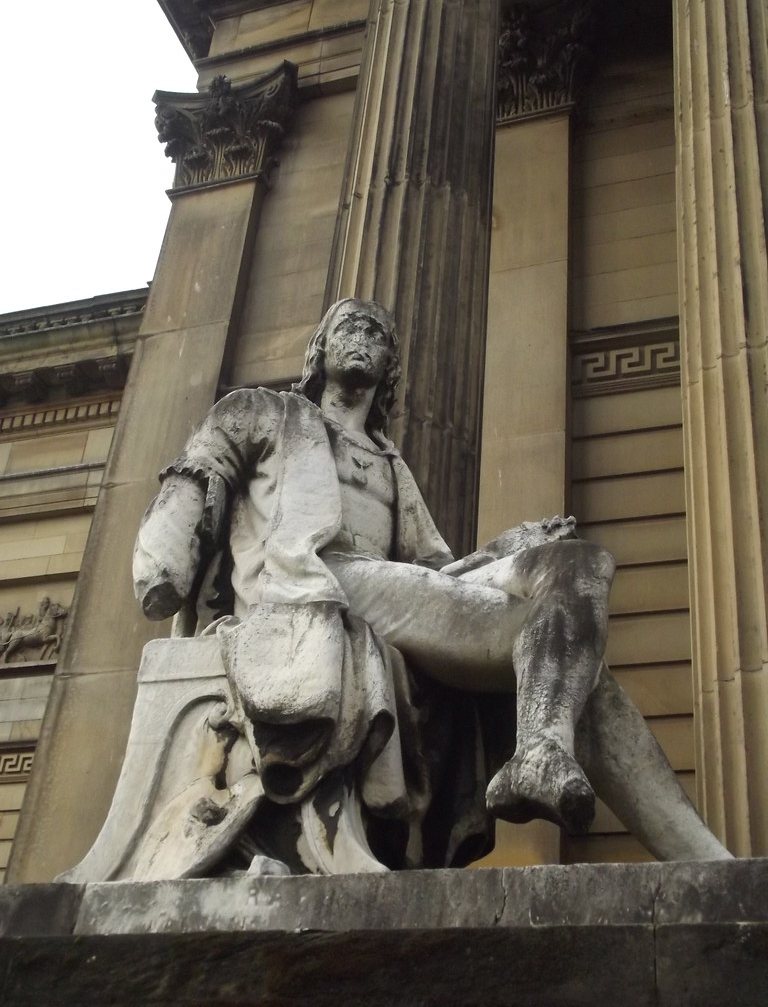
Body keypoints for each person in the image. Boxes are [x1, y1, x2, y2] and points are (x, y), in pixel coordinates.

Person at [133, 298, 730, 869]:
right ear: (320, 346)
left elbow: (434, 574)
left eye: (378, 337)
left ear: (390, 366)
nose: (364, 341)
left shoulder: (390, 463)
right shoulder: (268, 413)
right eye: (352, 327)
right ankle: (546, 751)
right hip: (315, 586)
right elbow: (197, 475)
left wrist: (507, 547)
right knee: (548, 640)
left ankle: (673, 836)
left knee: (579, 572)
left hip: (392, 588)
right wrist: (164, 562)